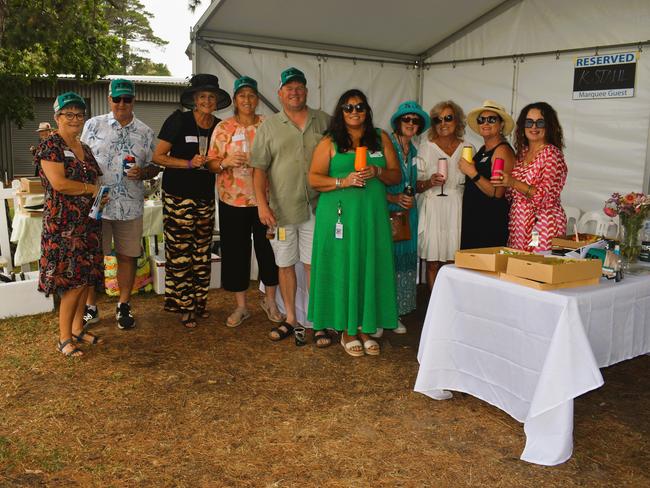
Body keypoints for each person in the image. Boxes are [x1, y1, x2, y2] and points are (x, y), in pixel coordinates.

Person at [308, 89, 401, 356]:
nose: (354, 112)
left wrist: (378, 171)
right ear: (341, 112)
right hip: (339, 216)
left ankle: (365, 326)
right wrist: (342, 181)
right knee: (345, 266)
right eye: (348, 108)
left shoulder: (380, 138)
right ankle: (347, 331)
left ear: (367, 111)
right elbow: (313, 178)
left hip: (371, 216)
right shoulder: (330, 141)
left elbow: (395, 176)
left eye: (359, 107)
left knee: (368, 265)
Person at [251, 67, 330, 345]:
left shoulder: (324, 121)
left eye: (299, 87)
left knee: (313, 265)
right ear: (280, 93)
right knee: (285, 265)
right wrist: (262, 206)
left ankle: (318, 321)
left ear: (306, 91)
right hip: (281, 211)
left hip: (317, 208)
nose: (294, 92)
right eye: (289, 88)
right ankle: (291, 320)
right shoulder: (269, 127)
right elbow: (258, 170)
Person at [153, 74, 231, 329]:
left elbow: (218, 163)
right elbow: (159, 157)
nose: (208, 101)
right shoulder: (178, 120)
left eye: (212, 96)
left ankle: (199, 303)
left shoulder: (220, 126)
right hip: (178, 196)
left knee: (201, 252)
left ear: (218, 100)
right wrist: (187, 163)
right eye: (203, 97)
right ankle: (183, 305)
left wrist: (219, 164)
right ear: (194, 100)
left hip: (205, 197)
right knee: (180, 254)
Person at [81, 79, 160, 330]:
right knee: (94, 258)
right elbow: (79, 159)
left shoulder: (145, 132)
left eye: (127, 99)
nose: (122, 104)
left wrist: (143, 172)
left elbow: (155, 166)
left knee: (128, 256)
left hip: (130, 204)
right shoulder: (93, 125)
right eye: (117, 99)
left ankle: (123, 304)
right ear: (109, 100)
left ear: (134, 100)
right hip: (98, 204)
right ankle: (90, 308)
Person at [208, 76, 283, 327]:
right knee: (236, 253)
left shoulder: (269, 125)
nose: (247, 100)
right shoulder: (223, 128)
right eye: (242, 96)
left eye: (251, 95)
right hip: (232, 201)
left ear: (257, 99)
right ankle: (241, 306)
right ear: (235, 100)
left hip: (266, 200)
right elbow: (210, 163)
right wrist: (225, 163)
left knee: (269, 251)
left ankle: (270, 301)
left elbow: (281, 157)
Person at [34, 92, 105, 356]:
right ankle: (64, 338)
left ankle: (77, 329)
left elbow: (97, 180)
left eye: (79, 114)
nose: (75, 119)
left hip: (87, 224)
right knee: (72, 282)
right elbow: (60, 183)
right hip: (64, 227)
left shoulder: (83, 147)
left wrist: (99, 194)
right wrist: (90, 189)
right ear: (57, 118)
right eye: (69, 114)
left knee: (85, 279)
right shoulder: (50, 146)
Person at [491, 102, 567, 251]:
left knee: (536, 270)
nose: (534, 127)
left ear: (549, 126)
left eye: (540, 122)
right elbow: (512, 194)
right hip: (519, 224)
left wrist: (512, 182)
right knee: (518, 269)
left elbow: (544, 197)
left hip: (542, 226)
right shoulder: (523, 153)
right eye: (529, 122)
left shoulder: (552, 154)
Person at [383, 101, 430, 335]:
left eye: (415, 120)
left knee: (404, 264)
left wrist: (428, 183)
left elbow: (412, 184)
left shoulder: (413, 150)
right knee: (386, 263)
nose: (411, 124)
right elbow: (373, 181)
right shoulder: (386, 146)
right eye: (406, 119)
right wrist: (393, 199)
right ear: (398, 122)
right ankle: (383, 314)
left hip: (407, 215)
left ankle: (396, 313)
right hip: (386, 211)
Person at [416, 101, 472, 289]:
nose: (443, 123)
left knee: (453, 259)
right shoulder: (426, 147)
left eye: (448, 118)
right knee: (432, 261)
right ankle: (434, 304)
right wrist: (429, 182)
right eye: (437, 120)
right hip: (433, 206)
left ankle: (450, 302)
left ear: (457, 121)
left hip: (456, 206)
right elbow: (415, 184)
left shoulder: (467, 148)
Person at [459, 100, 515, 249]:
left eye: (492, 119)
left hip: (489, 223)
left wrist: (473, 173)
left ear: (501, 124)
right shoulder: (483, 149)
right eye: (481, 120)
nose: (486, 123)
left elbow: (497, 193)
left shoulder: (501, 151)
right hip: (475, 219)